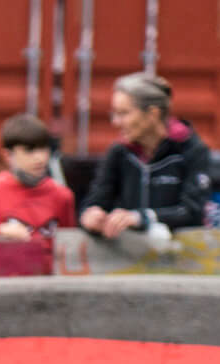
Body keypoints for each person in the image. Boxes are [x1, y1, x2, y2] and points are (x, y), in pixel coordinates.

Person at [80, 73, 212, 243]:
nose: (116, 122)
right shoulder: (119, 152)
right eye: (114, 113)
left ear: (153, 114)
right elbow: (96, 200)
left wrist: (142, 218)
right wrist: (90, 215)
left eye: (123, 113)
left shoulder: (192, 150)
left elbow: (192, 211)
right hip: (128, 259)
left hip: (184, 257)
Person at [0, 113, 76, 240]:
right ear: (8, 155)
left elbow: (69, 247)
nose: (40, 158)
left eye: (44, 148)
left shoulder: (62, 196)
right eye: (29, 150)